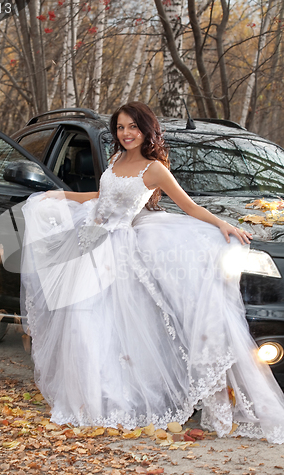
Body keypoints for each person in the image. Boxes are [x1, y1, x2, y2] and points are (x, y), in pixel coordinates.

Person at [21, 102, 284, 443]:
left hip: (118, 248)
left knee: (110, 326)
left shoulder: (155, 169)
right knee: (81, 320)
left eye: (133, 127)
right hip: (89, 238)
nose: (126, 133)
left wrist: (222, 224)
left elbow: (188, 206)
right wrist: (62, 196)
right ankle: (88, 400)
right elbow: (103, 196)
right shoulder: (116, 160)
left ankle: (118, 400)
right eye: (120, 128)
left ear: (147, 130)